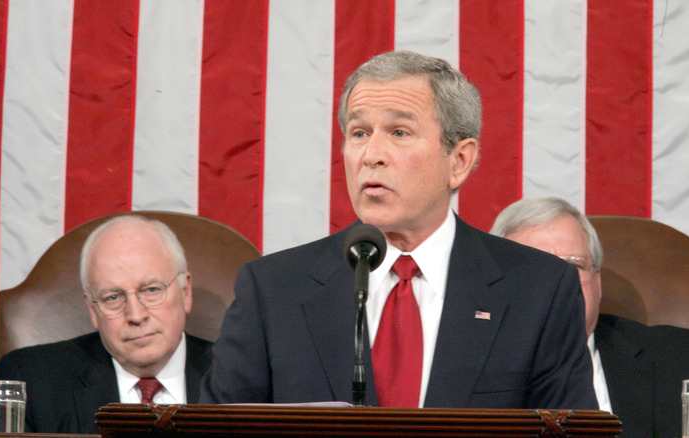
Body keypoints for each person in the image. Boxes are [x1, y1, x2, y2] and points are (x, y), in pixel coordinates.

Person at [200, 50, 597, 409]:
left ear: (458, 161)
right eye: (359, 133)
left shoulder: (539, 290)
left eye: (399, 133)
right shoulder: (273, 290)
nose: (371, 156)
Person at [490, 197, 689, 437]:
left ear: (597, 282)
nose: (560, 285)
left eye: (573, 267)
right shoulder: (464, 364)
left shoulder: (682, 359)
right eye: (538, 269)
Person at [0, 215, 212, 433]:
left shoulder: (241, 376)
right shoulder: (30, 381)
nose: (136, 315)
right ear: (93, 309)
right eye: (113, 297)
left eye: (152, 290)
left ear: (185, 292)